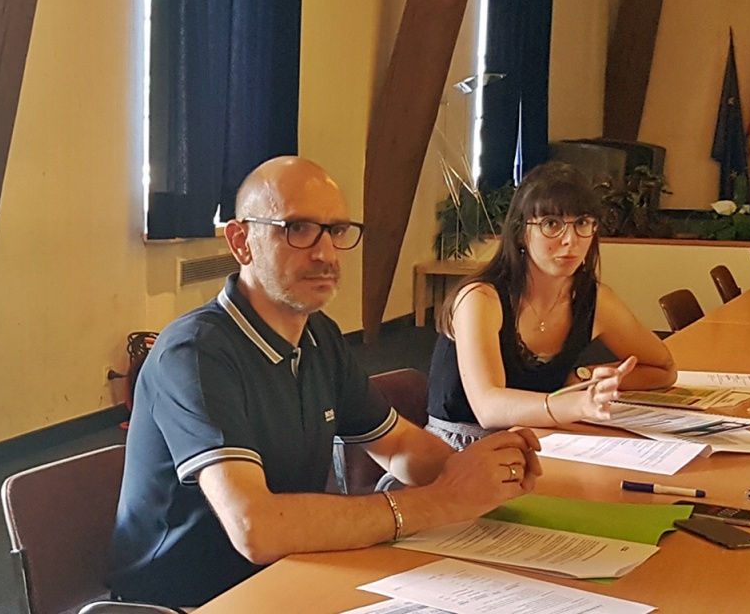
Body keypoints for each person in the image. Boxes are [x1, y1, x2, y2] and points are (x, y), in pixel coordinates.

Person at [108, 156, 543, 609]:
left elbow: (398, 445)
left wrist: (480, 477)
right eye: (297, 229)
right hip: (191, 601)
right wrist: (439, 502)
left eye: (336, 230)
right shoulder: (195, 353)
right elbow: (256, 528)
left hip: (293, 573)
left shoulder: (318, 335)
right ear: (241, 241)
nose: (325, 254)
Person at [426, 162, 677, 448]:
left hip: (542, 437)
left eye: (582, 223)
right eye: (551, 224)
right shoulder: (480, 299)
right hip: (462, 448)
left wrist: (582, 378)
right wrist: (578, 404)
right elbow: (488, 408)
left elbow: (664, 369)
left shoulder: (595, 299)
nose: (570, 240)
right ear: (521, 232)